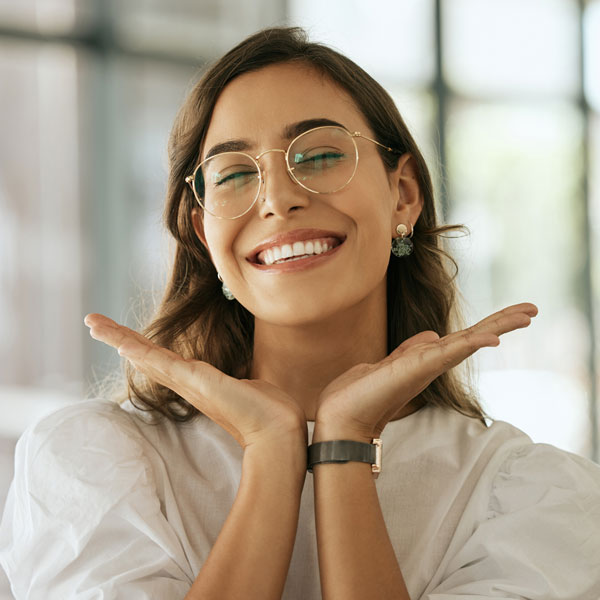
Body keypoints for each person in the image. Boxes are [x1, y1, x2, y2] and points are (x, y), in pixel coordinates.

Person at [1, 26, 599, 600]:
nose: (278, 198)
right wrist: (268, 449)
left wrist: (345, 447)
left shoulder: (536, 498)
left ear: (404, 195)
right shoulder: (91, 466)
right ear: (204, 235)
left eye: (316, 157)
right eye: (234, 173)